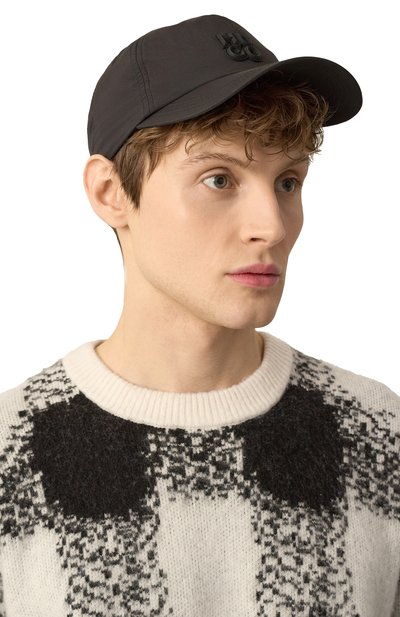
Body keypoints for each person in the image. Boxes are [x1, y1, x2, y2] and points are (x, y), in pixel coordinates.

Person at [0, 13, 398, 617]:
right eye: (219, 179)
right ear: (110, 192)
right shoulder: (12, 450)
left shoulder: (378, 434)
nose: (271, 227)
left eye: (288, 182)